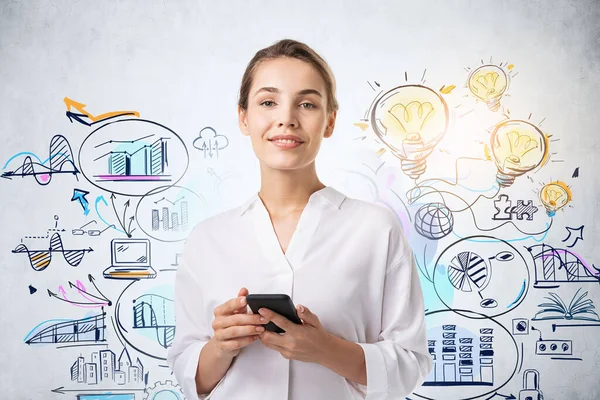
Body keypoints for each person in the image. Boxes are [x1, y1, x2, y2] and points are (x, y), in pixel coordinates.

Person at [167, 38, 433, 400]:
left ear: (329, 121)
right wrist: (221, 347)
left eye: (306, 104)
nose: (287, 119)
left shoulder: (375, 229)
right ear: (243, 117)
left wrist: (324, 349)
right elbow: (189, 377)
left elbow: (411, 364)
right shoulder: (208, 239)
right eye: (267, 102)